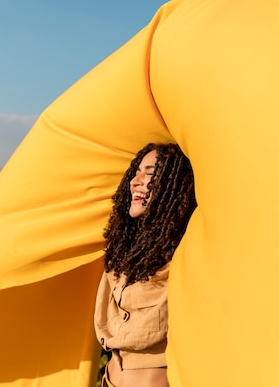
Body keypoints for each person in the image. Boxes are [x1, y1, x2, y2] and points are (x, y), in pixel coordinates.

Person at [94, 142, 197, 387]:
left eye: (149, 174)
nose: (136, 181)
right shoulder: (126, 249)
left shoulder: (186, 252)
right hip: (110, 378)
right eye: (136, 172)